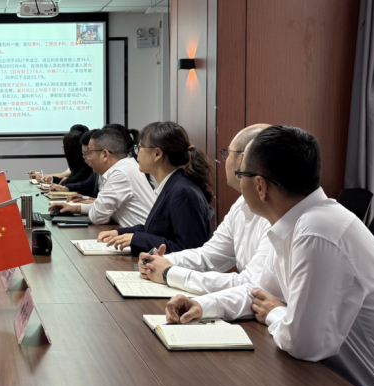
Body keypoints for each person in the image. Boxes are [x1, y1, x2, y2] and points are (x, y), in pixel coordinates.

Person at [164, 126, 374, 386]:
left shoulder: (317, 231)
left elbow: (303, 344)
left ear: (260, 186)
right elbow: (257, 291)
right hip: (337, 381)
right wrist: (202, 305)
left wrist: (276, 312)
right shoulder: (298, 223)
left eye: (241, 175)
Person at [137, 124, 272, 293]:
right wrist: (160, 261)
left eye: (227, 153)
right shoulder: (241, 203)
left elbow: (251, 284)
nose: (225, 160)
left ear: (242, 160)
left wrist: (169, 273)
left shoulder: (275, 212)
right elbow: (210, 255)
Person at [98, 122, 212, 255]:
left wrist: (137, 239)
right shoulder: (172, 184)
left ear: (157, 153)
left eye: (140, 147)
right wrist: (119, 233)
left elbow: (188, 249)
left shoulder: (183, 191)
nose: (137, 154)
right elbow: (154, 230)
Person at [49, 128, 154, 227]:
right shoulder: (125, 167)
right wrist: (75, 208)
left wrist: (81, 207)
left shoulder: (120, 174)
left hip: (142, 237)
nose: (87, 158)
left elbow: (97, 216)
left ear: (105, 154)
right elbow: (103, 208)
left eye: (89, 153)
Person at [52, 129, 99, 201]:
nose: (84, 157)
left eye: (88, 153)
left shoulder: (86, 166)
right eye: (84, 153)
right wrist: (65, 188)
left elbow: (104, 204)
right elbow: (85, 185)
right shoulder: (97, 172)